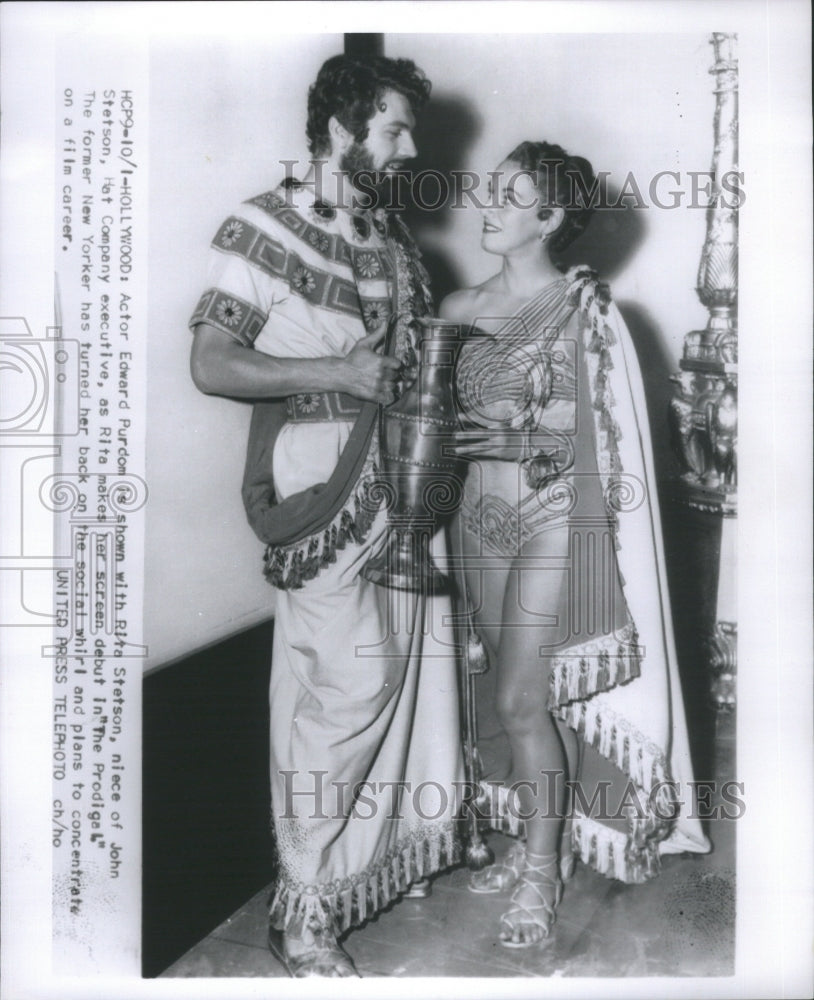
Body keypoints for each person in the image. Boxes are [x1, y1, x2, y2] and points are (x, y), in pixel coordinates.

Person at [189, 54, 463, 978]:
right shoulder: (260, 226)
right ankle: (300, 907)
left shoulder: (388, 238)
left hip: (399, 478)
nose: (410, 147)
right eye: (394, 129)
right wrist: (338, 373)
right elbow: (213, 364)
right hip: (321, 484)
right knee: (350, 683)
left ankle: (364, 869)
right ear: (342, 132)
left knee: (401, 671)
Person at [443, 141, 710, 949]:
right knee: (504, 699)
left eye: (510, 193)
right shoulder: (455, 310)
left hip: (555, 520)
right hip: (475, 523)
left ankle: (539, 876)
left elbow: (602, 439)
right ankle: (538, 844)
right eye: (490, 187)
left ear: (549, 217)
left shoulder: (586, 309)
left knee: (527, 697)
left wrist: (508, 435)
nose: (488, 203)